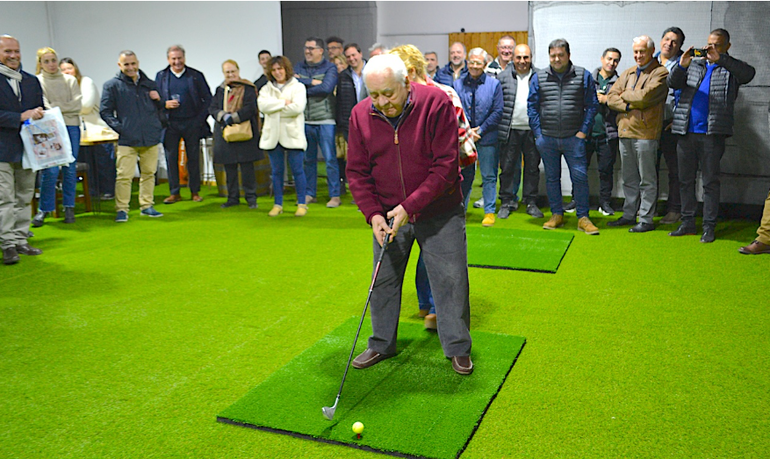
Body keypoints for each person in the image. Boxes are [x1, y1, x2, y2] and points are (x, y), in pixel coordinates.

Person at [346, 54, 473, 375]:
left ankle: (458, 347)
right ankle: (380, 344)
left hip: (439, 211)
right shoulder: (360, 115)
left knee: (450, 280)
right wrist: (373, 214)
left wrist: (408, 207)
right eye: (374, 95)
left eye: (388, 93)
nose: (382, 102)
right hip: (388, 215)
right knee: (383, 281)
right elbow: (358, 173)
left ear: (406, 83)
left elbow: (445, 167)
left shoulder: (436, 103)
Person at [388, 44, 476, 330]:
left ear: (411, 72)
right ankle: (427, 303)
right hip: (415, 182)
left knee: (437, 242)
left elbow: (458, 152)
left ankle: (439, 308)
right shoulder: (398, 100)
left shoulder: (444, 95)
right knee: (418, 239)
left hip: (450, 178)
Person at [668, 28, 756, 243]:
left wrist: (723, 60)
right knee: (685, 181)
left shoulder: (731, 69)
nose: (711, 49)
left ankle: (709, 226)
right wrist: (681, 65)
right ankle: (688, 222)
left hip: (712, 134)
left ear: (727, 47)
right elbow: (672, 83)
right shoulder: (694, 65)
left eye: (717, 45)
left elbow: (749, 74)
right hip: (686, 131)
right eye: (709, 44)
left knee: (710, 182)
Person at [527, 38, 600, 235]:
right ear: (549, 56)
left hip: (573, 138)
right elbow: (532, 107)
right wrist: (538, 134)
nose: (557, 59)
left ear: (568, 55)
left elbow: (592, 106)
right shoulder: (539, 77)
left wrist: (582, 132)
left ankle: (583, 217)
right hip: (547, 139)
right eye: (553, 56)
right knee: (552, 178)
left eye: (561, 55)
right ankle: (556, 214)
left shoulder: (583, 76)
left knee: (580, 177)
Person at [606, 36, 669, 233]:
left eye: (642, 51)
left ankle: (646, 219)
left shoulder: (660, 73)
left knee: (647, 179)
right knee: (629, 178)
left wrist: (623, 96)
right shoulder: (628, 73)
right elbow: (610, 97)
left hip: (647, 134)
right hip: (625, 131)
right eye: (635, 52)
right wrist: (628, 103)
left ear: (651, 52)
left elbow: (646, 97)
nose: (638, 55)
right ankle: (628, 214)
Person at [100, 50, 165, 222]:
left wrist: (158, 106)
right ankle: (122, 209)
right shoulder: (112, 86)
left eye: (133, 63)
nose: (130, 67)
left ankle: (147, 206)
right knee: (124, 176)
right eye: (126, 64)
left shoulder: (149, 84)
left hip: (150, 136)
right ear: (119, 65)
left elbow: (161, 108)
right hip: (127, 139)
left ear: (138, 63)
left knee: (149, 173)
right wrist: (121, 129)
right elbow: (105, 112)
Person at [0, 35, 45, 265]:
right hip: (2, 150)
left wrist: (42, 115)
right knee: (4, 199)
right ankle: (7, 245)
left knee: (25, 196)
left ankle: (20, 239)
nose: (13, 56)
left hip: (29, 149)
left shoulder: (31, 81)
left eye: (16, 51)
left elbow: (40, 109)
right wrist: (20, 117)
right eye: (8, 51)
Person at [31, 47, 82, 227]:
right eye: (47, 61)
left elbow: (77, 105)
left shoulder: (69, 80)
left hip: (72, 126)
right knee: (50, 170)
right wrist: (61, 107)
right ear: (40, 64)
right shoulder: (37, 81)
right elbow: (46, 107)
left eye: (53, 60)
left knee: (70, 167)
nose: (51, 64)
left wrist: (57, 107)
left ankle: (69, 206)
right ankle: (44, 209)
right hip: (49, 128)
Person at [155, 45, 212, 204]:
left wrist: (199, 120)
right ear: (168, 59)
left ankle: (195, 191)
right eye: (173, 59)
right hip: (170, 124)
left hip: (192, 123)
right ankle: (174, 193)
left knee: (193, 158)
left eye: (179, 58)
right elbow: (155, 100)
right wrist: (164, 104)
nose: (177, 61)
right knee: (170, 158)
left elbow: (208, 99)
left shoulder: (195, 76)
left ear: (184, 58)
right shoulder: (161, 76)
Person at [453, 47, 503, 227]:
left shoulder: (494, 84)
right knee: (464, 176)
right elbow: (455, 108)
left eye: (478, 62)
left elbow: (497, 112)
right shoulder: (457, 84)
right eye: (471, 62)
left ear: (485, 64)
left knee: (489, 175)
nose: (474, 66)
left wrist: (480, 131)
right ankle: (461, 211)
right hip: (464, 138)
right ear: (467, 63)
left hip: (487, 137)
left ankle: (489, 212)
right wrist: (467, 132)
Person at [60, 57, 117, 202]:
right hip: (77, 132)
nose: (67, 72)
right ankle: (92, 190)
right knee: (86, 164)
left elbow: (86, 106)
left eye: (69, 68)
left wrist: (66, 108)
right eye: (63, 70)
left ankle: (109, 190)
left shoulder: (86, 82)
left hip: (97, 130)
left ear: (75, 69)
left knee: (103, 162)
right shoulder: (63, 87)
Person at [496, 43, 543, 219]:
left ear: (531, 58)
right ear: (513, 58)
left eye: (526, 57)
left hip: (533, 131)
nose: (522, 61)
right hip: (510, 131)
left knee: (532, 168)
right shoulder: (502, 77)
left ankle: (530, 202)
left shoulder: (541, 76)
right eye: (519, 57)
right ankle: (507, 202)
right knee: (507, 168)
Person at [258, 56, 308, 217]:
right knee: (277, 171)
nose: (278, 72)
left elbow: (297, 107)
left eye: (280, 69)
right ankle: (277, 204)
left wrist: (274, 107)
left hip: (293, 134)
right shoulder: (266, 89)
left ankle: (302, 204)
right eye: (274, 70)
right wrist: (282, 103)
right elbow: (262, 106)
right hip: (272, 136)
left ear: (286, 69)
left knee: (297, 171)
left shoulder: (298, 87)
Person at [209, 59, 263, 209]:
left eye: (233, 71)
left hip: (245, 133)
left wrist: (232, 118)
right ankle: (232, 198)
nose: (231, 75)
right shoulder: (220, 90)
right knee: (229, 168)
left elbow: (250, 108)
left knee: (247, 168)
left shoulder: (249, 88)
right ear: (223, 74)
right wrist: (223, 116)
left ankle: (251, 198)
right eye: (227, 72)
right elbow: (212, 107)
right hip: (225, 135)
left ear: (238, 72)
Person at [294, 37, 341, 207]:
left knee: (330, 160)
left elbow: (326, 88)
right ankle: (309, 193)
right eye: (306, 48)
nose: (307, 51)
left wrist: (303, 87)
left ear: (321, 51)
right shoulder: (299, 66)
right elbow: (294, 84)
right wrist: (311, 82)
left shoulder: (330, 67)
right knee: (308, 160)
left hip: (326, 120)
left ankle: (335, 195)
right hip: (306, 120)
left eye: (311, 48)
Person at [656, 27, 687, 225]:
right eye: (666, 39)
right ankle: (648, 207)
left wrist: (678, 119)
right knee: (649, 169)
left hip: (670, 124)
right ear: (661, 41)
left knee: (675, 170)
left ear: (680, 46)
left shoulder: (685, 65)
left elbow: (688, 95)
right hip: (648, 124)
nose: (669, 43)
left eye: (674, 41)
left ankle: (674, 209)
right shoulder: (650, 60)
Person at [588, 48, 622, 217]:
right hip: (586, 133)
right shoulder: (588, 78)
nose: (611, 63)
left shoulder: (620, 81)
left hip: (609, 134)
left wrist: (607, 100)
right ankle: (576, 199)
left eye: (615, 60)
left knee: (606, 171)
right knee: (580, 169)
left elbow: (623, 103)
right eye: (609, 59)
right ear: (602, 59)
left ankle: (605, 202)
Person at [336, 44, 367, 198]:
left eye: (354, 55)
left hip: (371, 121)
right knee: (356, 159)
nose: (352, 59)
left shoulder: (372, 71)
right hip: (351, 123)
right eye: (348, 56)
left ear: (360, 54)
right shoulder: (343, 76)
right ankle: (361, 194)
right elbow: (340, 102)